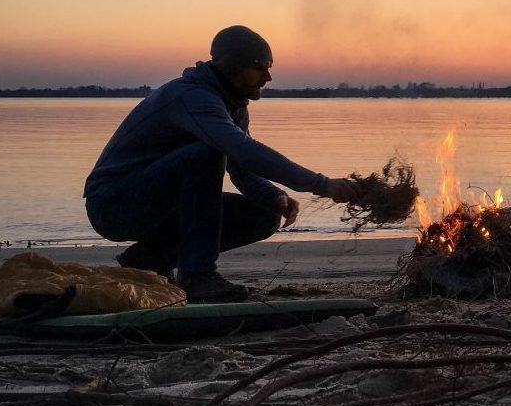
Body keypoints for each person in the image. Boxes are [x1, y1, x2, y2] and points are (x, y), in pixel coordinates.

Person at [84, 25, 361, 303]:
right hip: (113, 205)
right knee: (206, 153)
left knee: (263, 215)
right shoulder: (192, 97)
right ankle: (198, 275)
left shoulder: (234, 106)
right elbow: (244, 151)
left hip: (160, 206)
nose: (268, 76)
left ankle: (148, 260)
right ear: (232, 66)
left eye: (270, 66)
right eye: (260, 67)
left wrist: (274, 196)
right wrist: (320, 184)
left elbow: (242, 170)